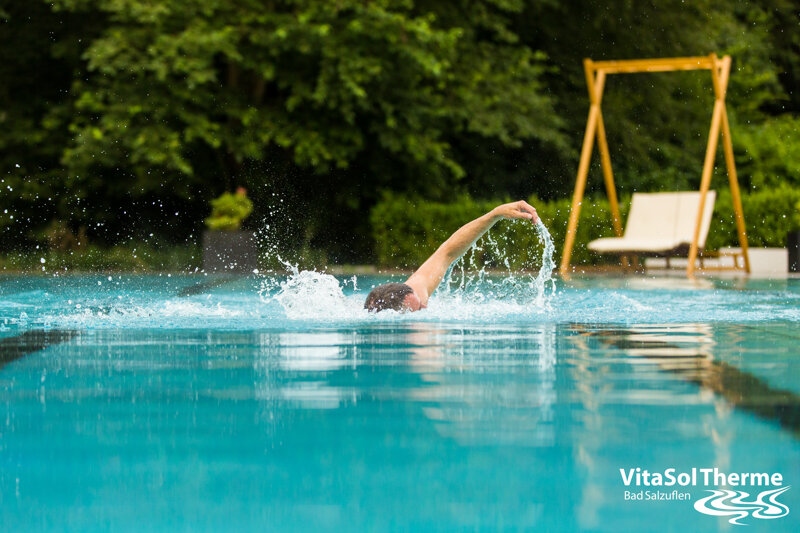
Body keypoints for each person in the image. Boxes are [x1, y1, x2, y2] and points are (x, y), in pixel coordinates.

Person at [364, 200, 539, 312]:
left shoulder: (412, 294)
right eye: (418, 309)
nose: (425, 307)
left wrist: (495, 214)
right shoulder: (417, 347)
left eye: (420, 303)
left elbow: (447, 251)